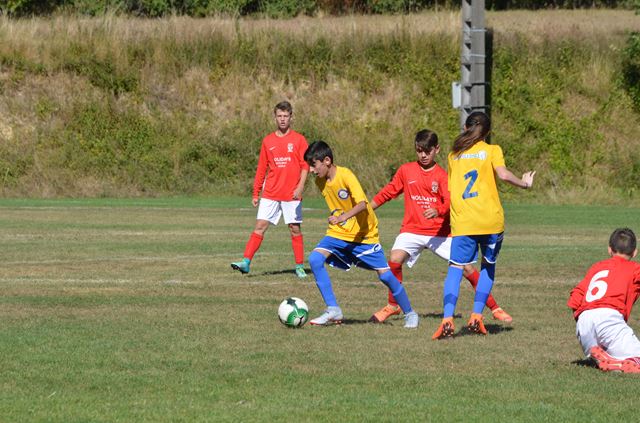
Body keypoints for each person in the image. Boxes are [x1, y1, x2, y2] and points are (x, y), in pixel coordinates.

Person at [368, 129, 512, 324]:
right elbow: (388, 192)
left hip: (440, 232)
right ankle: (393, 305)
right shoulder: (406, 170)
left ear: (437, 149)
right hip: (412, 229)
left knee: (467, 268)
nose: (423, 155)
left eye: (427, 151)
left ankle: (495, 308)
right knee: (394, 259)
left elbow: (450, 202)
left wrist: (438, 210)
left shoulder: (443, 176)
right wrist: (367, 209)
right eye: (419, 151)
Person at [432, 112, 536, 339]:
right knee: (487, 267)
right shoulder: (492, 150)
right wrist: (525, 184)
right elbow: (504, 175)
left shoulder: (453, 155)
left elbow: (451, 189)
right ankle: (476, 316)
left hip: (464, 222)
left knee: (455, 269)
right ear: (487, 132)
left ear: (465, 128)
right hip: (491, 221)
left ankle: (447, 319)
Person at [303, 140, 419, 328]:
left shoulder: (346, 175)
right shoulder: (320, 181)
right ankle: (333, 309)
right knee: (315, 259)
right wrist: (339, 219)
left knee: (385, 276)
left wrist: (342, 218)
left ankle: (410, 313)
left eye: (313, 165)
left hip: (364, 235)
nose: (311, 170)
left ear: (327, 161)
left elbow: (362, 204)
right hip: (339, 233)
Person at [231, 101, 309, 278]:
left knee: (294, 228)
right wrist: (255, 192)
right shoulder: (268, 141)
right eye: (279, 116)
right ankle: (246, 262)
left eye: (286, 116)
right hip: (271, 192)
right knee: (260, 226)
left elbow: (305, 165)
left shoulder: (299, 140)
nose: (282, 119)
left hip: (291, 193)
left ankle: (299, 266)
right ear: (275, 117)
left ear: (291, 117)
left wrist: (300, 187)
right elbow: (261, 168)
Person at [567, 228, 640, 373]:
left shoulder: (597, 267)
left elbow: (575, 298)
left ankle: (603, 356)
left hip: (584, 323)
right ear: (635, 252)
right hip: (608, 319)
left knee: (611, 350)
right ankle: (616, 364)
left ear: (609, 249)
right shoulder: (634, 268)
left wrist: (586, 325)